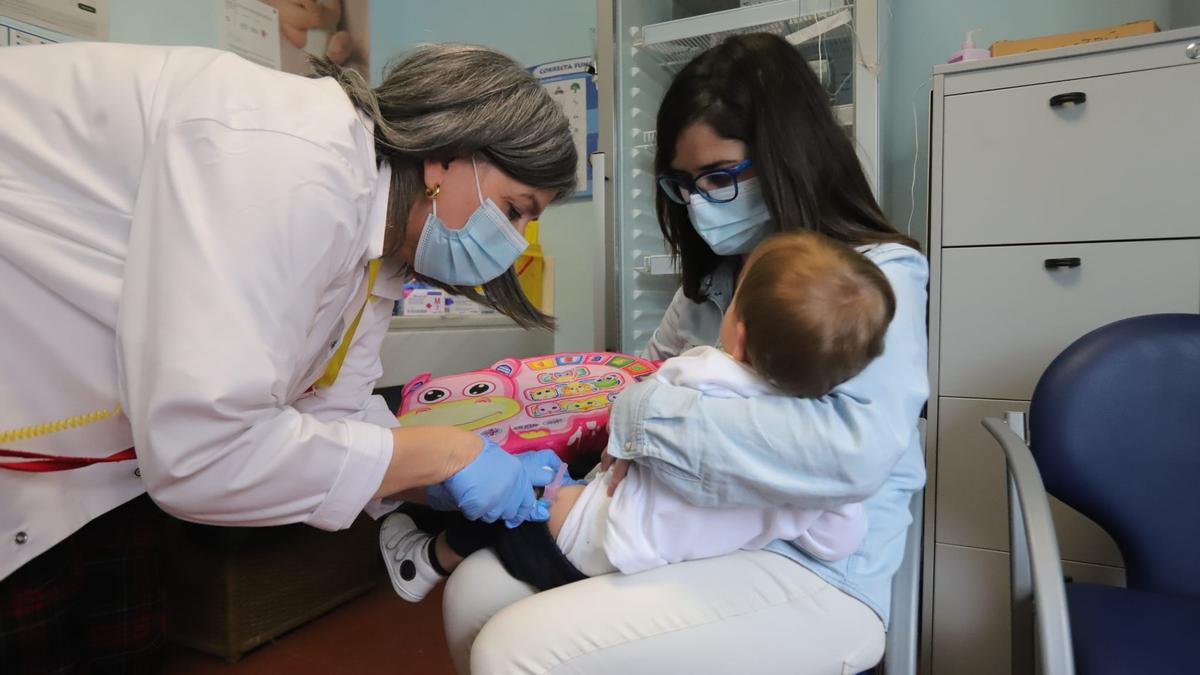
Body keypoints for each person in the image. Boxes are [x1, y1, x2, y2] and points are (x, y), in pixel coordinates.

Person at [0, 41, 574, 672]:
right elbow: (205, 452)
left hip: (96, 444)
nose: (514, 240)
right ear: (445, 157)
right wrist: (448, 454)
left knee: (123, 638)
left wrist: (433, 480)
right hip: (31, 372)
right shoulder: (292, 158)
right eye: (516, 210)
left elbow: (334, 405)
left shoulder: (379, 242)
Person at [441, 32, 928, 675]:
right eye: (684, 184)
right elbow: (637, 375)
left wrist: (642, 418)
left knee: (514, 650)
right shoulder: (715, 283)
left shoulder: (876, 279)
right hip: (698, 535)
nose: (700, 203)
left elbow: (850, 453)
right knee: (470, 593)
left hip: (815, 569)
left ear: (789, 158)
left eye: (720, 177)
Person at [379, 231, 896, 602]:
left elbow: (637, 391)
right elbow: (838, 541)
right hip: (656, 568)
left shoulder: (702, 371)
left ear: (736, 333)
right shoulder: (813, 467)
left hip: (583, 544)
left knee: (511, 489)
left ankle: (423, 559)